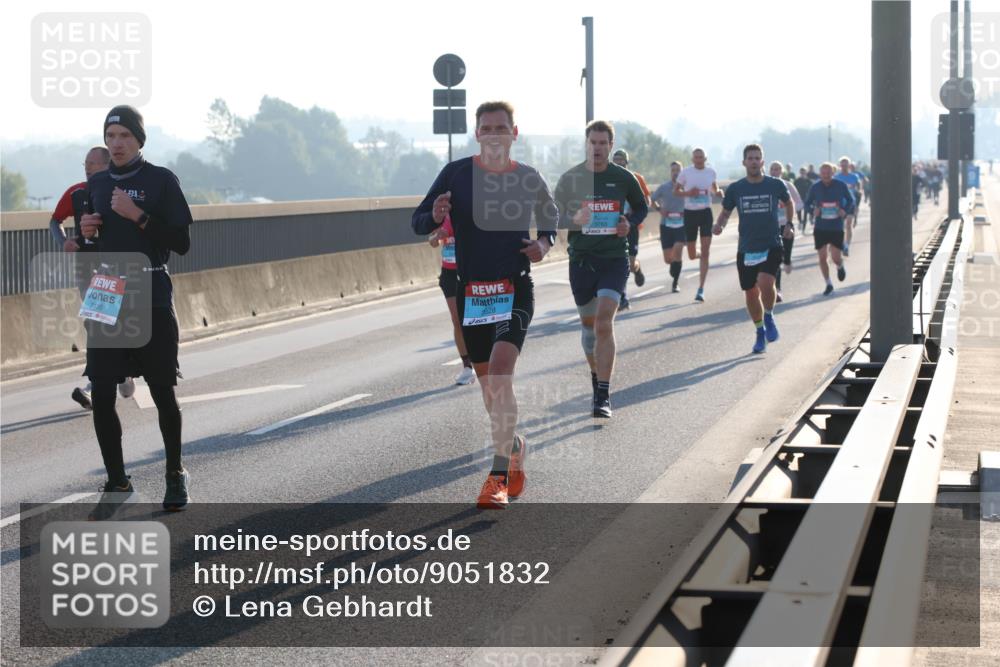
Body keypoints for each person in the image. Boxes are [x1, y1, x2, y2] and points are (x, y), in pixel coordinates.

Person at [412, 101, 558, 509]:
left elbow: (551, 216)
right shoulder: (457, 174)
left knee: (499, 375)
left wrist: (543, 244)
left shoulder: (528, 177)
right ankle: (513, 445)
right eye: (487, 128)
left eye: (501, 127)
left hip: (514, 289)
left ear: (515, 132)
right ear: (477, 134)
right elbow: (418, 219)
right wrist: (435, 215)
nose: (494, 134)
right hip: (473, 295)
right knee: (489, 389)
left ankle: (495, 478)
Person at [79, 105, 194, 513]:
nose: (116, 144)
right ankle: (116, 480)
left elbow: (180, 242)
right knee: (103, 392)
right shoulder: (96, 184)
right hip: (108, 290)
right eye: (110, 137)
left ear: (139, 139)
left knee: (163, 390)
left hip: (151, 289)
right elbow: (91, 245)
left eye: (124, 136)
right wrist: (87, 233)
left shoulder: (161, 180)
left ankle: (175, 474)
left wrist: (138, 214)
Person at [554, 120, 648, 419]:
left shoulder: (624, 177)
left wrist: (628, 223)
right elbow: (552, 214)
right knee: (588, 329)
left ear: (610, 145)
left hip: (613, 259)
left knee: (604, 323)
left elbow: (642, 206)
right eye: (592, 142)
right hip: (581, 260)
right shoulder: (571, 179)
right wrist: (573, 218)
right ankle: (596, 379)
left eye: (603, 143)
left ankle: (604, 395)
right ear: (586, 143)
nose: (597, 148)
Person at [50, 147, 137, 410]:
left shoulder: (119, 192)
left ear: (108, 164)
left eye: (93, 164)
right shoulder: (76, 191)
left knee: (101, 321)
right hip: (85, 267)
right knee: (96, 321)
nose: (87, 168)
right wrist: (64, 241)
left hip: (112, 266)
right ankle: (120, 375)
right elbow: (55, 221)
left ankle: (96, 384)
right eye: (85, 163)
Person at [713, 144, 792, 354]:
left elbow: (789, 202)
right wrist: (719, 224)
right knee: (750, 293)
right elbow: (726, 211)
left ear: (763, 162)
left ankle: (769, 315)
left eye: (758, 158)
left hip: (771, 243)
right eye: (750, 158)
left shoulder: (775, 185)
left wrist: (789, 224)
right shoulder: (737, 188)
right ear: (744, 162)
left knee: (766, 282)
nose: (754, 161)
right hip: (747, 247)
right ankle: (759, 331)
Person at [428, 214, 476, 385]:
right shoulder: (443, 214)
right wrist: (437, 236)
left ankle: (484, 357)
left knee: (475, 319)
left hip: (470, 271)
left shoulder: (469, 209)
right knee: (458, 321)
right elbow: (432, 241)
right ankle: (467, 367)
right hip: (449, 273)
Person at [674, 148, 720, 302]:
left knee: (706, 251)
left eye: (701, 157)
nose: (699, 160)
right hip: (690, 214)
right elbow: (676, 191)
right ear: (692, 159)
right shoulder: (686, 172)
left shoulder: (711, 172)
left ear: (705, 158)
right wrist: (688, 193)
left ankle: (701, 289)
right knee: (692, 254)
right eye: (696, 157)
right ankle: (698, 254)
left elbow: (715, 188)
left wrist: (719, 192)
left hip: (706, 213)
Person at [804, 162, 853, 296]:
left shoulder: (840, 185)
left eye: (828, 173)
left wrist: (844, 210)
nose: (825, 175)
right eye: (823, 173)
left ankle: (839, 265)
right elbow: (807, 203)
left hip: (836, 226)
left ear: (833, 173)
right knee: (822, 257)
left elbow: (850, 200)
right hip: (820, 227)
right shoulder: (815, 187)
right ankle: (828, 283)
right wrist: (813, 210)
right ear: (820, 174)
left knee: (836, 257)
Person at [611, 149, 651, 310]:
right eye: (616, 160)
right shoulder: (608, 178)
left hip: (631, 225)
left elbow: (646, 201)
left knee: (630, 262)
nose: (619, 163)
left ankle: (637, 268)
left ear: (627, 163)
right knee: (617, 261)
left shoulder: (636, 178)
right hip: (613, 225)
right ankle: (623, 297)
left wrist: (633, 215)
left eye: (621, 160)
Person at [650, 161, 687, 293]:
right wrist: (659, 209)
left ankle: (675, 283)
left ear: (682, 172)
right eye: (673, 170)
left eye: (678, 170)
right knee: (668, 259)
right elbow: (651, 200)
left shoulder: (687, 187)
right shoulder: (664, 187)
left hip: (682, 224)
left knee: (678, 250)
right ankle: (674, 266)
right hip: (666, 224)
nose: (676, 173)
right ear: (670, 172)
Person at [769, 161, 803, 303]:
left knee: (785, 254)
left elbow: (799, 203)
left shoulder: (788, 185)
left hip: (786, 225)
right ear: (769, 171)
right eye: (773, 169)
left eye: (778, 169)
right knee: (775, 259)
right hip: (771, 227)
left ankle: (788, 260)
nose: (775, 171)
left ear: (781, 171)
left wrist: (788, 208)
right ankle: (777, 289)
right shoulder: (766, 185)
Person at [834, 157, 862, 255]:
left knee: (849, 225)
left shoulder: (854, 176)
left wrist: (857, 204)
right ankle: (842, 244)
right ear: (840, 166)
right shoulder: (836, 177)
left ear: (849, 165)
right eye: (842, 165)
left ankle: (846, 246)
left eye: (846, 165)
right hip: (840, 204)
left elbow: (859, 190)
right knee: (840, 227)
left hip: (851, 203)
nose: (844, 167)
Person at [793, 167, 814, 232]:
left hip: (807, 199)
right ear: (800, 173)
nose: (802, 173)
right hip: (798, 198)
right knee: (799, 211)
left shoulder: (809, 181)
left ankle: (804, 227)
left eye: (804, 172)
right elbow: (794, 189)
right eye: (801, 172)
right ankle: (800, 221)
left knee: (805, 212)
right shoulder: (797, 181)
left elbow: (812, 190)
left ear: (806, 172)